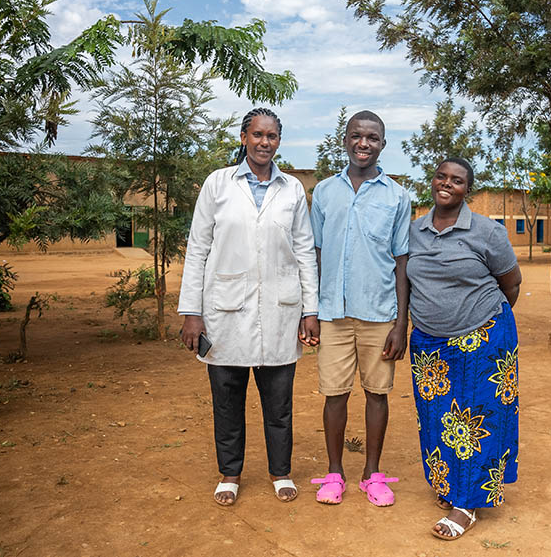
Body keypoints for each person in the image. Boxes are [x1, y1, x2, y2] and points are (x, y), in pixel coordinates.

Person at [178, 108, 319, 506]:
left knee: (279, 404)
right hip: (225, 312)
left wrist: (310, 309)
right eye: (257, 135)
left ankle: (280, 472)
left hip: (280, 311)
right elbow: (198, 249)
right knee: (227, 400)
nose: (264, 143)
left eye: (271, 136)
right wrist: (191, 312)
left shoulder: (292, 189)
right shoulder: (218, 184)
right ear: (244, 137)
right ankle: (230, 474)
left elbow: (305, 251)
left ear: (279, 142)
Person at [406, 158, 523, 540]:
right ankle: (450, 485)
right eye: (441, 176)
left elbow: (511, 283)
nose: (447, 184)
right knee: (437, 418)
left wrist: (479, 320)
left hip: (482, 338)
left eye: (456, 180)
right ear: (432, 181)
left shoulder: (487, 232)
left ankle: (468, 504)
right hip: (429, 343)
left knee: (476, 422)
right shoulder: (414, 231)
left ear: (467, 190)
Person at [309, 110, 411, 507]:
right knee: (334, 395)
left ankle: (372, 474)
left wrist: (401, 324)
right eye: (356, 135)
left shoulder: (397, 196)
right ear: (345, 140)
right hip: (332, 313)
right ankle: (334, 473)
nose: (363, 143)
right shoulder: (324, 192)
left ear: (383, 144)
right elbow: (316, 253)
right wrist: (311, 309)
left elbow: (401, 261)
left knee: (376, 393)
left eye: (371, 137)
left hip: (380, 314)